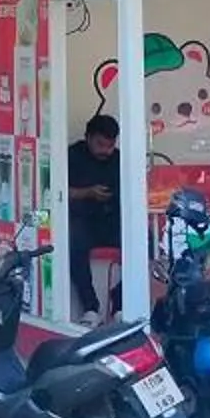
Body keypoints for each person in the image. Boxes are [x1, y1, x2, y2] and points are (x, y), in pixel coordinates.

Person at [66, 113, 123, 320]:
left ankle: (120, 303)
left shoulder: (118, 159)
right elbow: (57, 192)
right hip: (82, 222)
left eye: (110, 145)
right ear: (88, 137)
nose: (105, 151)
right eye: (100, 144)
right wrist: (87, 193)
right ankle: (90, 307)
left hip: (110, 221)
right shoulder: (73, 156)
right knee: (73, 242)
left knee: (145, 242)